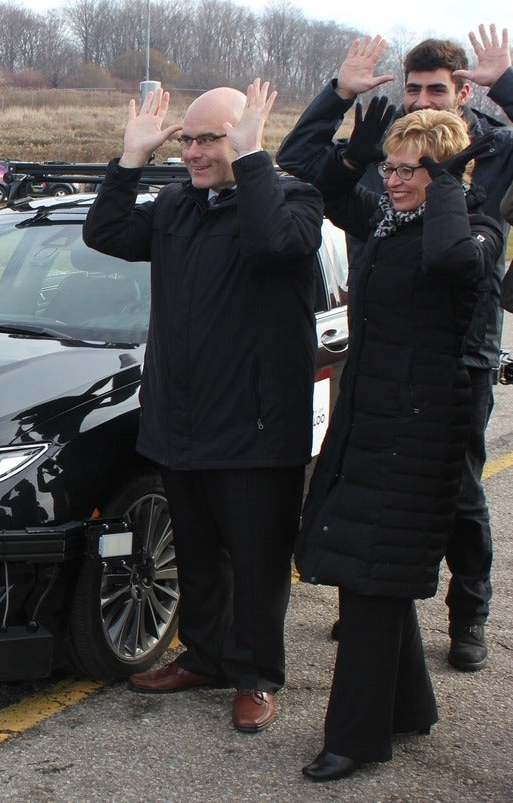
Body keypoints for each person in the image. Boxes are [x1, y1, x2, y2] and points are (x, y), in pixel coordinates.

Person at [82, 80, 323, 733]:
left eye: (208, 138)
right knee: (197, 557)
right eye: (186, 139)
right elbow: (104, 231)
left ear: (244, 137)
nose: (192, 151)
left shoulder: (293, 199)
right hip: (180, 420)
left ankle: (256, 676)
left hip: (255, 427)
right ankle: (207, 656)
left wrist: (253, 165)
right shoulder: (176, 207)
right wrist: (130, 160)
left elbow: (273, 244)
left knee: (258, 562)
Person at [277, 25, 513, 671]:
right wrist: (336, 96)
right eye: (414, 88)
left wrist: (508, 86)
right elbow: (299, 172)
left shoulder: (490, 148)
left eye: (438, 88)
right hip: (379, 344)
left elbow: (454, 252)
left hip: (458, 345)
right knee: (366, 479)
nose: (423, 99)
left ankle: (468, 612)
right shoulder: (389, 145)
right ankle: (370, 602)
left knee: (457, 489)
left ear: (464, 91)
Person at [294, 105, 501, 782]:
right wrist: (354, 155)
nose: (395, 180)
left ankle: (354, 734)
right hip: (368, 413)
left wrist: (447, 183)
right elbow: (322, 191)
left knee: (374, 574)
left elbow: (447, 259)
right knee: (364, 562)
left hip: (421, 423)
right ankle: (409, 704)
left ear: (445, 169)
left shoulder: (475, 227)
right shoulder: (383, 221)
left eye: (411, 168)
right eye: (393, 166)